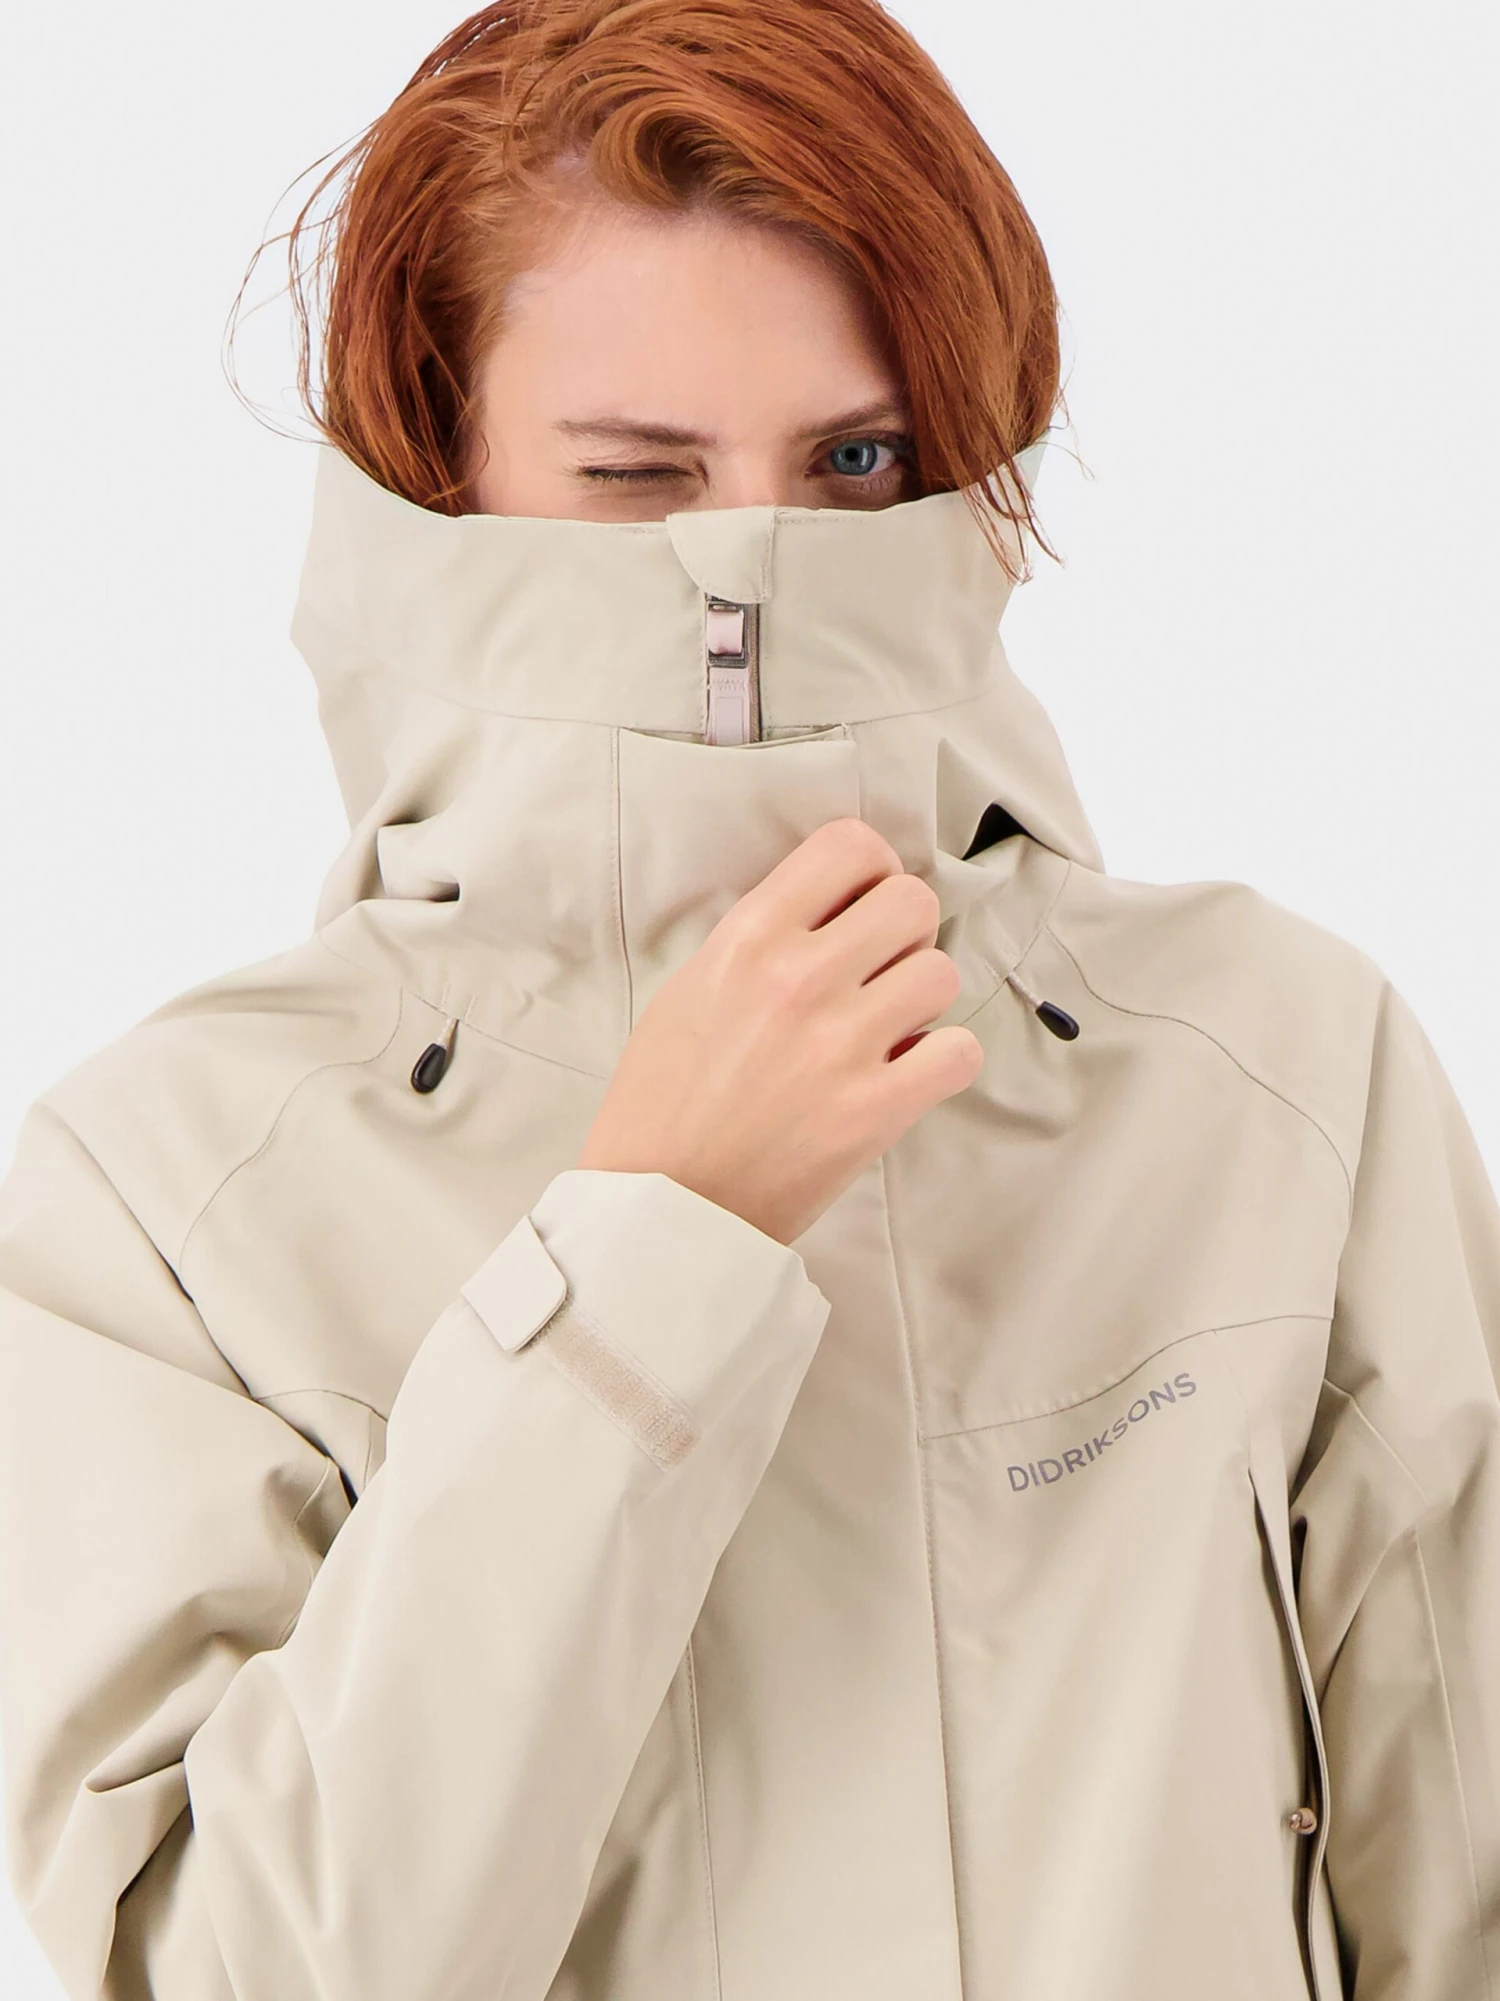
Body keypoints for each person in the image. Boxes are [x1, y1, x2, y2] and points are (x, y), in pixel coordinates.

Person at [0, 1, 1496, 1996]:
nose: (759, 565)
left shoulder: (1275, 1077)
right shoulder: (168, 1199)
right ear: (435, 463)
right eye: (640, 475)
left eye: (857, 462)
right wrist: (650, 1259)